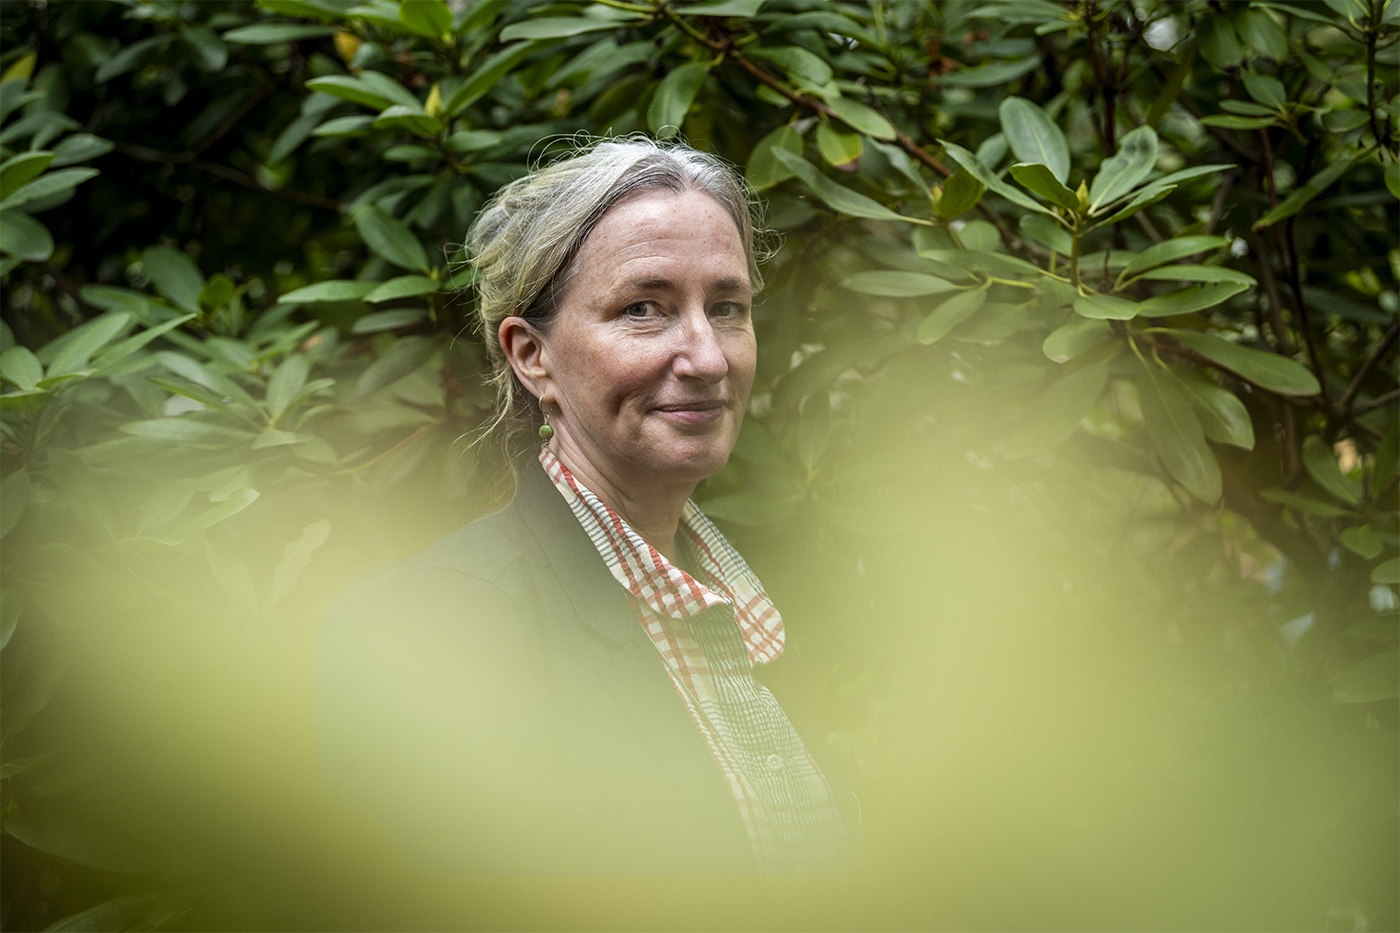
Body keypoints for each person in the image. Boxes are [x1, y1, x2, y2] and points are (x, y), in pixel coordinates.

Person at [318, 137, 854, 876]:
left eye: (727, 307)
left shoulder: (758, 609)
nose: (707, 357)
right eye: (645, 308)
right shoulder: (436, 626)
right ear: (531, 355)